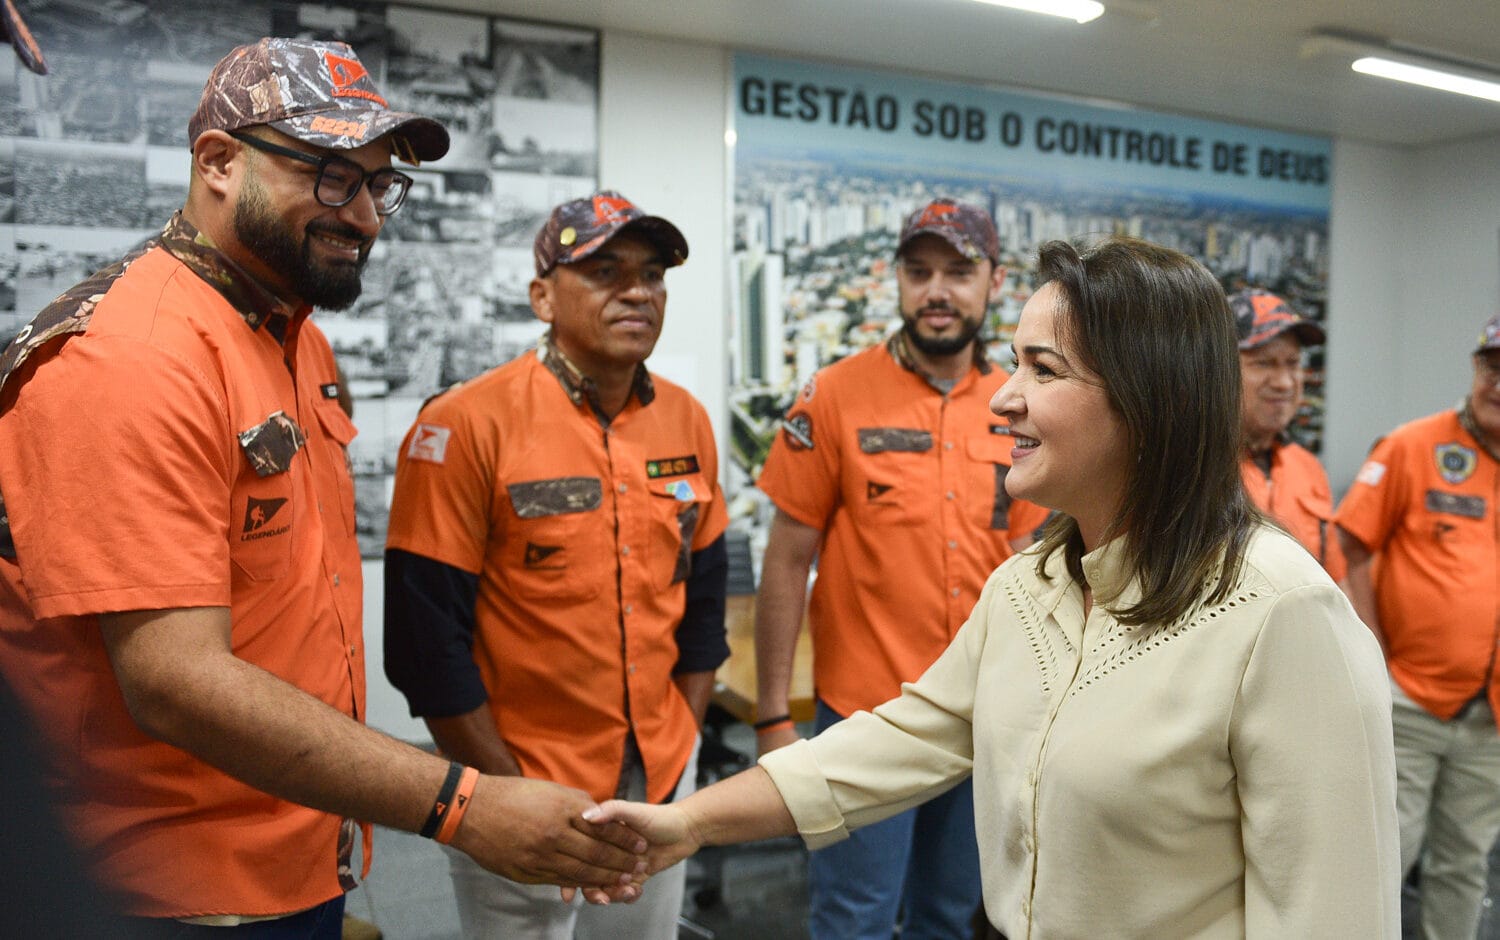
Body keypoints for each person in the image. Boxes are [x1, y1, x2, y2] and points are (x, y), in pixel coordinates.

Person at [0, 38, 647, 937]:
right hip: (166, 887)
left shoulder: (293, 333)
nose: (368, 217)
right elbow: (174, 680)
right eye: (333, 175)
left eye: (381, 185)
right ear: (220, 163)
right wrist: (463, 803)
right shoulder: (132, 356)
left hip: (301, 851)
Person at [591, 236, 1401, 938]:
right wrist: (690, 823)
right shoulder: (1031, 584)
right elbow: (903, 737)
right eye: (1014, 361)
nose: (1005, 396)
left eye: (1041, 369)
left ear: (1147, 401)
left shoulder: (1282, 616)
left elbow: (1332, 913)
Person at [384, 190, 729, 939]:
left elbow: (702, 606)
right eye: (604, 271)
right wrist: (506, 797)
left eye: (653, 274)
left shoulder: (688, 420)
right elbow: (423, 647)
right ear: (543, 295)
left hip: (661, 777)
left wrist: (686, 746)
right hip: (526, 780)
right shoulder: (464, 423)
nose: (638, 291)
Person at [752, 197, 1047, 938]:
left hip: (982, 715)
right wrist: (769, 720)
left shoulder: (1023, 407)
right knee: (854, 917)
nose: (937, 291)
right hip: (865, 715)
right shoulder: (833, 396)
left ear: (994, 281)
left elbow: (1033, 564)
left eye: (957, 271)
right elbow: (786, 564)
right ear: (897, 281)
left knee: (951, 916)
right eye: (919, 272)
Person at [1336, 312, 1500, 940]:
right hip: (1410, 701)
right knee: (1383, 859)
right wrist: (1374, 654)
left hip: (1490, 721)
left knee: (1465, 866)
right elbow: (1349, 546)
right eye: (1493, 366)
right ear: (1474, 367)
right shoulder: (1413, 446)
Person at [1230, 288, 1346, 581]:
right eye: (1264, 363)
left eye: (1293, 364)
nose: (1284, 382)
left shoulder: (1308, 469)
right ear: (1220, 368)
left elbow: (1336, 585)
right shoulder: (1192, 468)